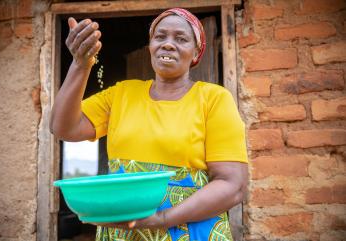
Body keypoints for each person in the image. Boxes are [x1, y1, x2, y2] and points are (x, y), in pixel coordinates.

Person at [50, 8, 248, 241]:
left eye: (181, 39)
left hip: (191, 231)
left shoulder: (214, 99)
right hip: (124, 232)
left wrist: (163, 219)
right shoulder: (122, 93)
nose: (168, 44)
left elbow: (233, 184)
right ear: (150, 46)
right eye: (160, 36)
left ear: (196, 53)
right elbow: (63, 127)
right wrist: (80, 64)